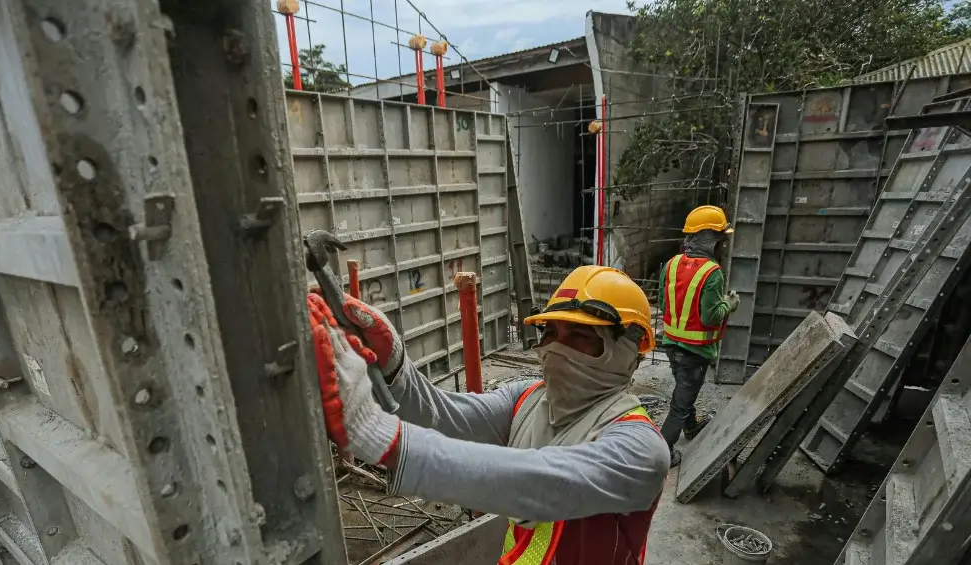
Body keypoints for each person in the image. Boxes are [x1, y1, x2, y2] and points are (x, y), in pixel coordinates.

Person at [307, 266, 670, 565]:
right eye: (550, 332)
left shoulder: (640, 449)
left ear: (628, 350)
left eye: (580, 335)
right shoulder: (527, 399)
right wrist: (392, 363)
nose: (557, 348)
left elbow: (538, 485)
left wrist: (377, 433)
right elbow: (445, 417)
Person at [658, 205, 740, 467]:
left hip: (671, 344)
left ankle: (691, 427)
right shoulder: (712, 273)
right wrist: (729, 304)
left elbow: (663, 303)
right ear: (712, 240)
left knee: (685, 390)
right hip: (695, 350)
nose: (723, 246)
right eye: (721, 240)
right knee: (680, 403)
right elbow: (711, 317)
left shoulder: (671, 265)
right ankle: (662, 452)